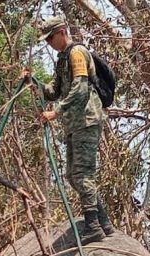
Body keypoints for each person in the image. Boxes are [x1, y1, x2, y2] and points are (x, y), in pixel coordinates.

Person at [24, 16, 120, 243]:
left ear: (61, 32)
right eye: (46, 40)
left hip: (86, 120)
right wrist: (33, 81)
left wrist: (55, 112)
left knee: (82, 174)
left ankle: (93, 226)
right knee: (72, 176)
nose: (49, 43)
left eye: (50, 38)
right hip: (74, 125)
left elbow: (80, 89)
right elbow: (54, 91)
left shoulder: (77, 53)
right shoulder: (62, 59)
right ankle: (103, 222)